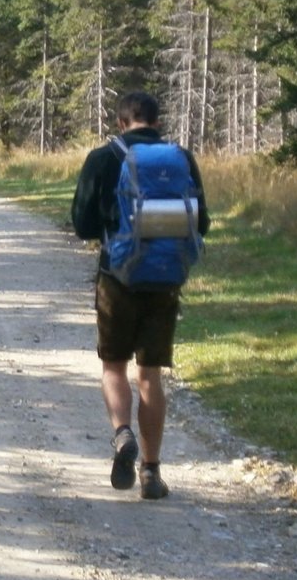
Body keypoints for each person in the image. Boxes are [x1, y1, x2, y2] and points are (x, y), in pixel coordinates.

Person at [70, 90, 209, 500]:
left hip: (117, 277)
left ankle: (122, 433)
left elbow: (82, 224)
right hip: (165, 279)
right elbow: (201, 222)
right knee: (150, 375)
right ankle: (151, 471)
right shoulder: (180, 159)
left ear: (120, 122)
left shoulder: (103, 158)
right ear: (157, 121)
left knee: (114, 367)